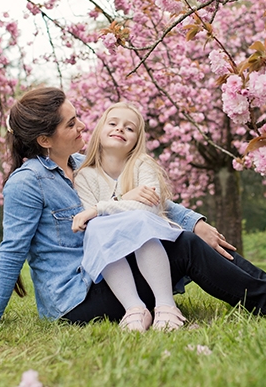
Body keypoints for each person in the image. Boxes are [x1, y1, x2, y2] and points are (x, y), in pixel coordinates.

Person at [0, 86, 266, 332]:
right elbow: (10, 253)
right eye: (71, 123)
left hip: (112, 274)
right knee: (187, 248)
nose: (82, 126)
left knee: (193, 239)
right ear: (44, 138)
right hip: (76, 300)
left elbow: (139, 198)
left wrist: (197, 221)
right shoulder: (27, 183)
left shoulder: (79, 167)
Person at [72, 102, 187, 332]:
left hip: (152, 249)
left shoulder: (142, 165)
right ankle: (135, 308)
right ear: (99, 131)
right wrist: (123, 200)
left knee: (139, 222)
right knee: (98, 228)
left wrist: (100, 208)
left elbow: (149, 209)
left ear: (137, 139)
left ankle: (166, 305)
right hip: (114, 260)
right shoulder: (84, 176)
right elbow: (93, 222)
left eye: (129, 128)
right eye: (113, 123)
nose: (120, 129)